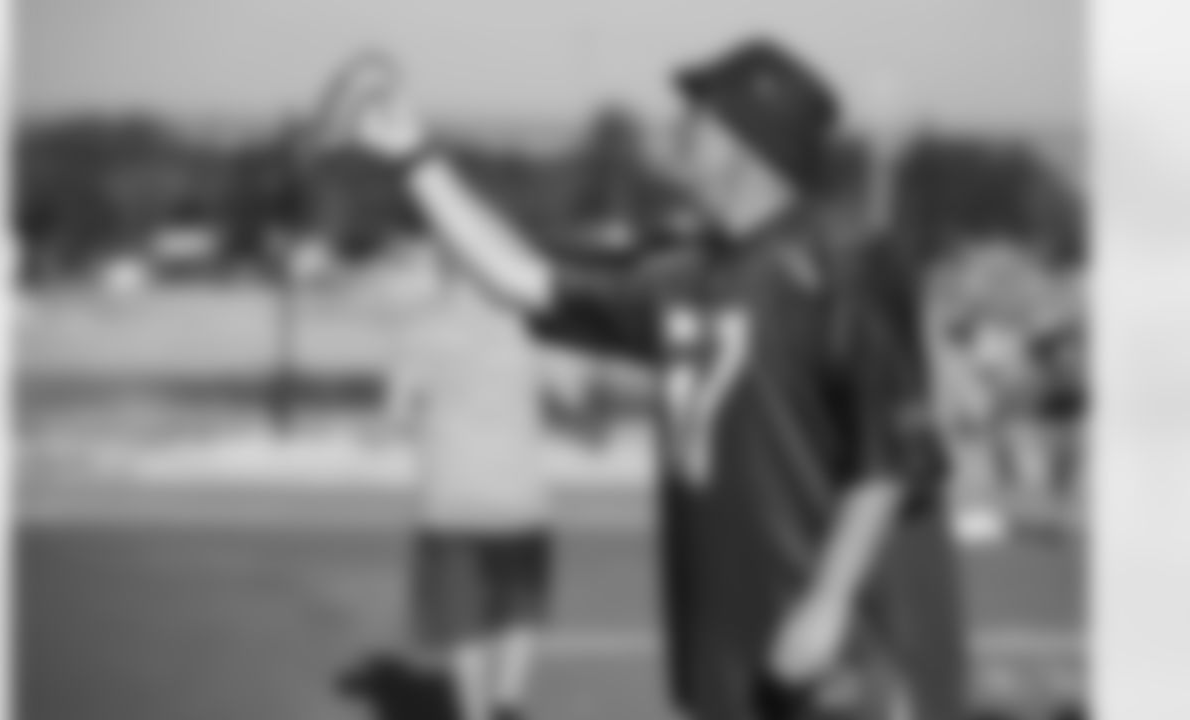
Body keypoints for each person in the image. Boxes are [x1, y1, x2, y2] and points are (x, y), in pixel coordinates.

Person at [344, 37, 967, 720]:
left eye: (698, 115)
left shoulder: (846, 265)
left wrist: (827, 602)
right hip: (727, 640)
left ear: (745, 142)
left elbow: (889, 460)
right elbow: (522, 278)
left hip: (835, 653)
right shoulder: (684, 270)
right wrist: (414, 159)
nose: (677, 128)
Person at [381, 240, 553, 720]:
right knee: (518, 611)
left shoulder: (420, 330)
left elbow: (396, 415)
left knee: (465, 625)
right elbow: (574, 394)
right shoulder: (528, 327)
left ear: (444, 270)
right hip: (521, 498)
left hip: (450, 500)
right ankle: (508, 705)